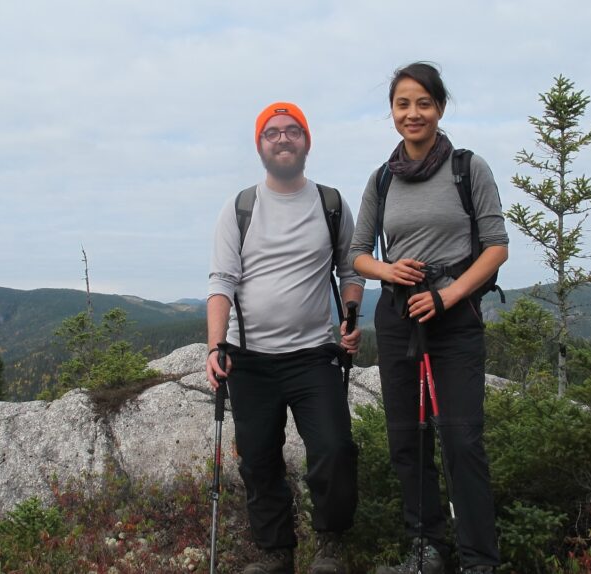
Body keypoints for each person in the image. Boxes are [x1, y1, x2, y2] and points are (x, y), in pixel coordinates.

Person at [348, 62, 507, 574]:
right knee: (407, 440)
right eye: (403, 104)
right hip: (399, 318)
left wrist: (448, 296)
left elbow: (496, 247)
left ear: (439, 108)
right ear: (392, 112)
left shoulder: (468, 168)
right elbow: (358, 254)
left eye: (423, 103)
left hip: (454, 319)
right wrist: (388, 269)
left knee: (461, 440)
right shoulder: (382, 178)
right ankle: (427, 551)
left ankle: (479, 561)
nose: (412, 113)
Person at [207, 102, 365, 574]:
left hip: (314, 355)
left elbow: (351, 268)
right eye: (272, 132)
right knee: (258, 460)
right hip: (250, 359)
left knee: (334, 449)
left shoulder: (330, 204)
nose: (283, 138)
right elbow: (222, 282)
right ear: (260, 145)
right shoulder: (240, 208)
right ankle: (276, 554)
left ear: (306, 141)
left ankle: (330, 546)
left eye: (293, 131)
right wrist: (216, 346)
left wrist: (350, 317)